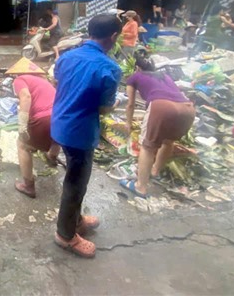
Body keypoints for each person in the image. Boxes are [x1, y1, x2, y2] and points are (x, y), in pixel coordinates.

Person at [51, 14, 122, 258]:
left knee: (74, 176)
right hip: (80, 133)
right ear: (113, 37)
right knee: (75, 183)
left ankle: (76, 219)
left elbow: (60, 83)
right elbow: (103, 108)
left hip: (59, 124)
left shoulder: (67, 57)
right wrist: (115, 103)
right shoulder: (110, 68)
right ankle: (65, 234)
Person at [120, 51, 195, 198]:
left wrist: (128, 122)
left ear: (137, 68)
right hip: (188, 108)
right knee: (168, 142)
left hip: (162, 106)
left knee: (147, 148)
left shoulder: (134, 76)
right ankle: (155, 171)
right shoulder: (165, 76)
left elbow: (130, 104)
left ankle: (140, 187)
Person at [7, 57, 62, 198]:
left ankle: (28, 186)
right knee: (55, 135)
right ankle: (52, 157)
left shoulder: (20, 80)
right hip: (61, 116)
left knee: (23, 145)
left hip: (44, 118)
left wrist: (22, 125)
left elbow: (25, 97)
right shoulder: (43, 81)